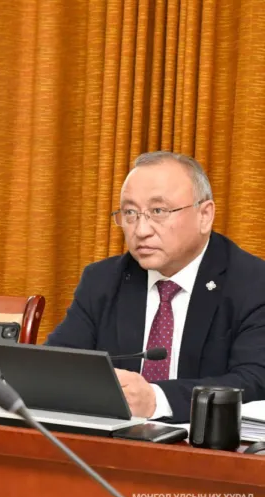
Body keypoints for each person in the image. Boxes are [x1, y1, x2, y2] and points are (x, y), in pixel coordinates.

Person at [46, 151, 265, 423]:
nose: (141, 230)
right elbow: (56, 365)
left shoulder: (253, 283)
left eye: (158, 211)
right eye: (130, 213)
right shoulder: (102, 280)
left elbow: (254, 380)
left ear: (204, 215)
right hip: (113, 440)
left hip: (202, 442)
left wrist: (156, 400)